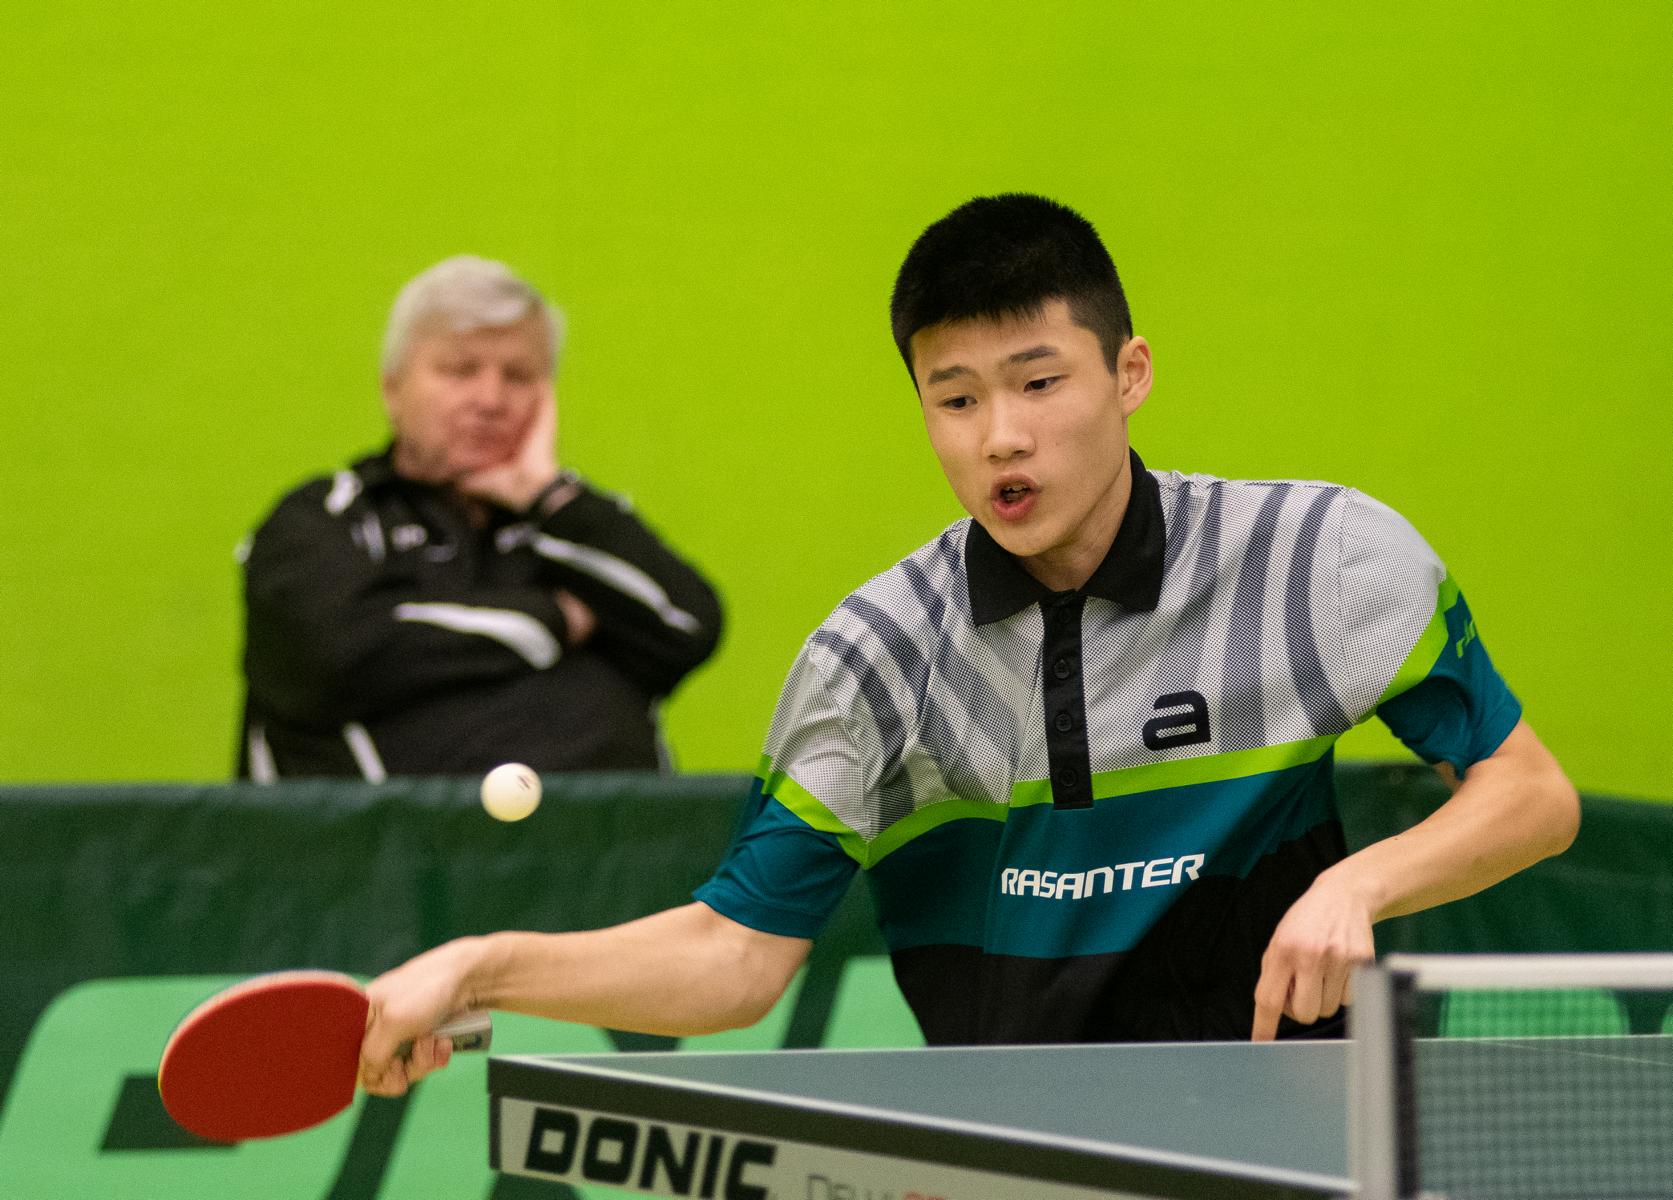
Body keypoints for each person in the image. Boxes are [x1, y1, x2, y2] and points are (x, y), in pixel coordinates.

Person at [358, 196, 1578, 1090]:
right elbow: (735, 956)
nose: (999, 436)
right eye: (954, 398)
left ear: (1129, 373)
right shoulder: (875, 661)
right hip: (1014, 1162)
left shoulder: (1315, 562)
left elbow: (1528, 796)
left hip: (1293, 1145)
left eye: (1037, 383)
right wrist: (477, 967)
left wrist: (1358, 883)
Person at [237, 256, 723, 778]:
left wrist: (543, 493)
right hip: (385, 832)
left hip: (610, 830)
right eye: (460, 370)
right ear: (392, 389)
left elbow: (689, 624)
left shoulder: (572, 527)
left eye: (519, 376)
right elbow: (334, 654)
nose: (491, 400)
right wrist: (554, 619)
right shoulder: (325, 518)